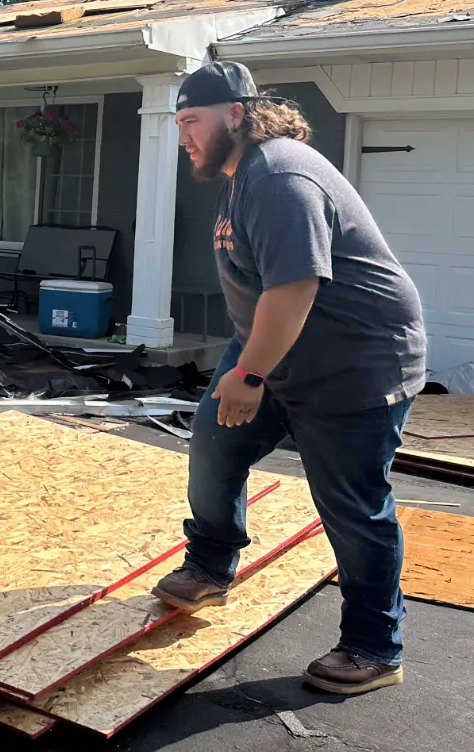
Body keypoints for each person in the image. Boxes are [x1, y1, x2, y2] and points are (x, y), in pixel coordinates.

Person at [152, 62, 427, 696]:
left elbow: (295, 286)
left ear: (237, 114)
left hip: (353, 366)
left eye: (191, 121)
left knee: (352, 507)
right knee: (215, 445)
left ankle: (373, 647)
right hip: (276, 350)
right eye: (179, 123)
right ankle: (211, 563)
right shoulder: (245, 176)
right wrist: (251, 364)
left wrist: (249, 373)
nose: (184, 136)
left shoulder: (279, 174)